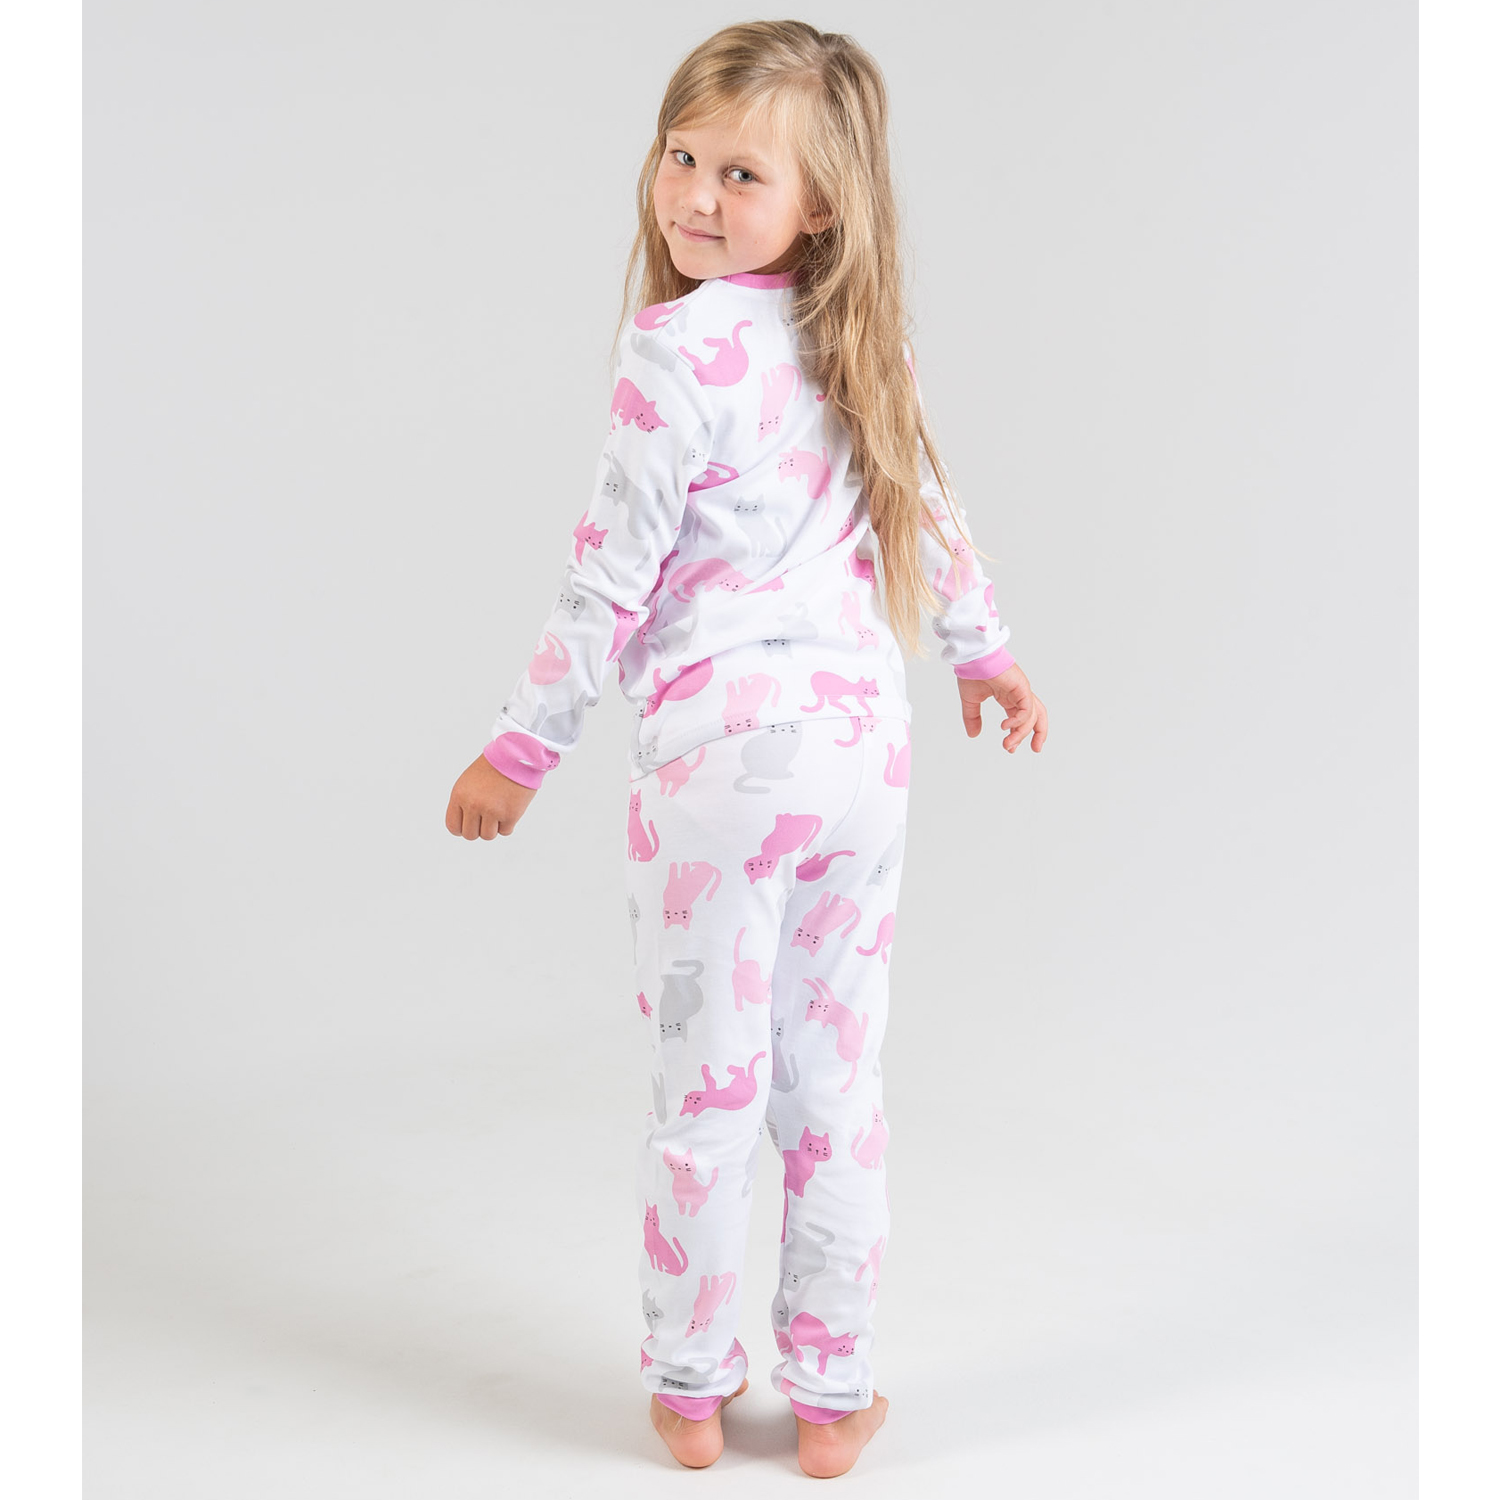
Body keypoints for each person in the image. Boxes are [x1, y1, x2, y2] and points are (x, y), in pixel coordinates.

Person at [445, 19, 1048, 1478]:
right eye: (682, 157)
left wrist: (521, 751)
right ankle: (833, 1396)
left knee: (707, 1086)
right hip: (861, 763)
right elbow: (934, 513)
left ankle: (692, 1388)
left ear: (820, 202)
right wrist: (984, 653)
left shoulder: (675, 352)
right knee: (834, 1088)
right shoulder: (865, 342)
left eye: (741, 175)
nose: (697, 197)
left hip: (716, 771)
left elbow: (610, 575)